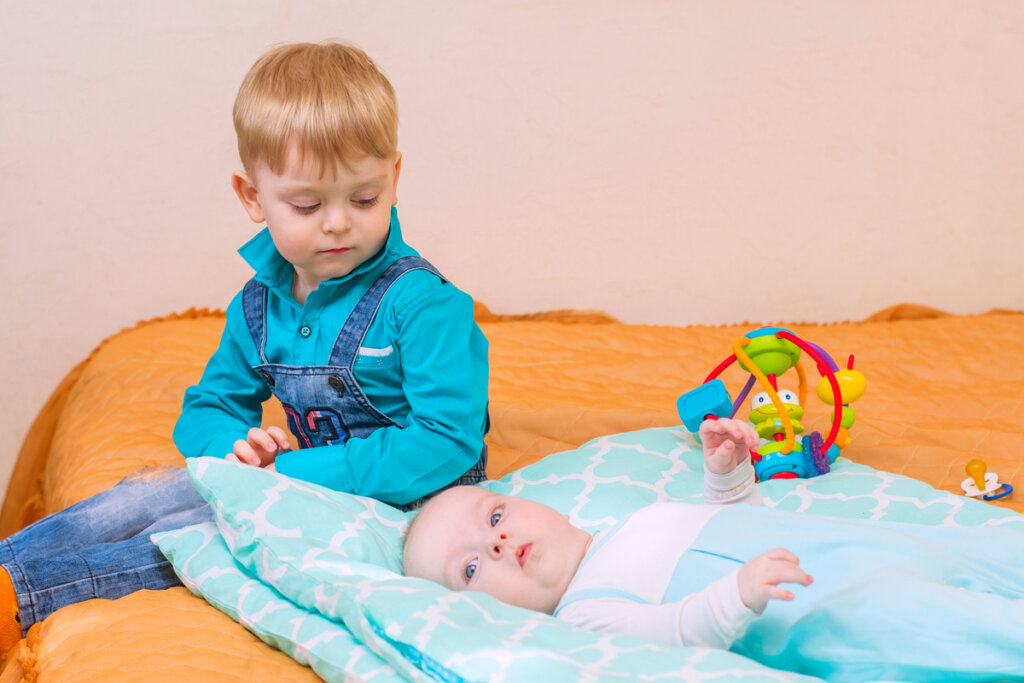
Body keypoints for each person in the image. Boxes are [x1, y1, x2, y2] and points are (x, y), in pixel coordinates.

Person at [0, 41, 489, 657]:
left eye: (363, 198)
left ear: (394, 176)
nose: (338, 222)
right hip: (288, 486)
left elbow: (447, 440)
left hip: (405, 508)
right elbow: (209, 405)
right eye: (307, 205)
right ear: (253, 197)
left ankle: (25, 596)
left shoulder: (423, 305)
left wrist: (289, 473)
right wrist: (233, 452)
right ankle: (7, 567)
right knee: (150, 492)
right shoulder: (259, 305)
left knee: (193, 534)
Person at [403, 418, 1024, 682]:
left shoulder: (632, 518)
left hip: (852, 543)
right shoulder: (583, 613)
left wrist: (727, 477)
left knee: (985, 550)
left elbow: (729, 524)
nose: (499, 541)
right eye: (472, 566)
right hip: (823, 605)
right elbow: (675, 631)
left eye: (495, 515)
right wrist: (737, 594)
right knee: (963, 628)